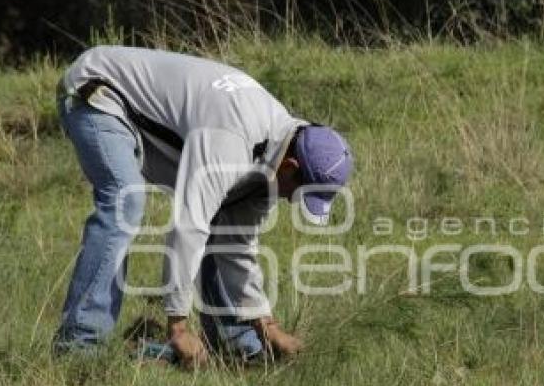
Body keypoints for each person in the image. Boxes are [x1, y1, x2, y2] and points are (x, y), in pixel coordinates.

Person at [54, 45, 353, 366]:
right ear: (291, 166)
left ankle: (238, 347)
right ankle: (80, 349)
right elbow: (188, 226)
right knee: (125, 200)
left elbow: (238, 242)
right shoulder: (229, 139)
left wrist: (268, 324)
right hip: (100, 90)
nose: (287, 199)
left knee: (224, 216)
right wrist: (177, 324)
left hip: (143, 109)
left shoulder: (275, 149)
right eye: (295, 192)